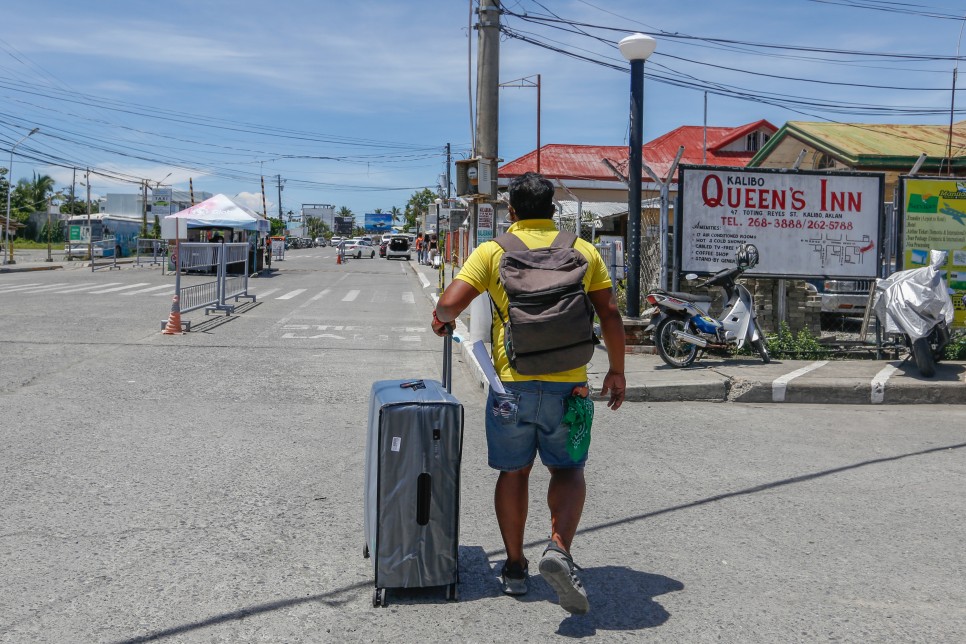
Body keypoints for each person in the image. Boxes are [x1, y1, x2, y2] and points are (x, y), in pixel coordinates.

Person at [432, 172, 626, 615]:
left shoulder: (492, 251)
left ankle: (516, 567)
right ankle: (558, 548)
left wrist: (441, 319)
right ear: (553, 210)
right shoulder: (583, 249)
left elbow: (448, 305)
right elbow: (610, 314)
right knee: (568, 469)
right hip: (571, 383)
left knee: (514, 473)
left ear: (511, 212)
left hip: (511, 387)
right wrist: (615, 371)